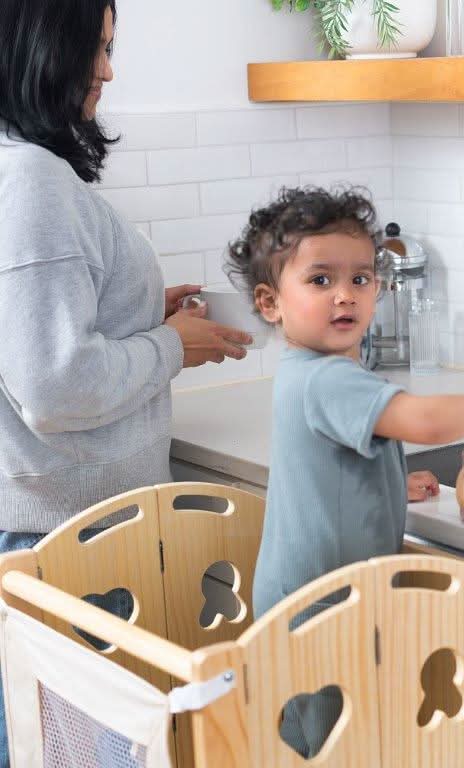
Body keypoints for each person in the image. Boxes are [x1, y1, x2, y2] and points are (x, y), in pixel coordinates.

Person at [0, 3, 252, 764]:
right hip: (69, 539)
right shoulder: (33, 181)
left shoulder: (15, 165)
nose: (106, 71)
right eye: (96, 49)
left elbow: (33, 334)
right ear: (44, 46)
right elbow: (54, 387)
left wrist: (147, 311)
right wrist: (171, 346)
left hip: (46, 529)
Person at [225, 186, 464, 758]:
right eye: (320, 280)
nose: (344, 296)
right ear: (270, 302)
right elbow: (422, 420)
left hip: (312, 595)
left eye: (360, 279)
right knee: (330, 745)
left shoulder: (309, 372)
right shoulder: (330, 379)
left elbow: (323, 473)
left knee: (325, 738)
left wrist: (387, 484)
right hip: (318, 606)